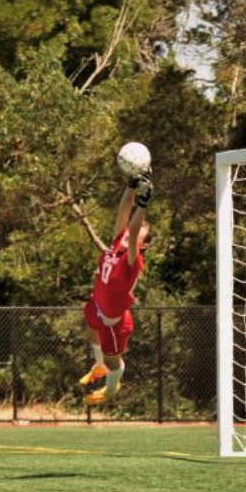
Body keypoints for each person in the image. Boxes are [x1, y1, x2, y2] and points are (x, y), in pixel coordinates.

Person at [79, 169, 154, 405]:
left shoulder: (132, 261)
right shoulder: (115, 246)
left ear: (142, 246)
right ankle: (99, 366)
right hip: (96, 305)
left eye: (137, 235)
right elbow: (122, 213)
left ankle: (111, 388)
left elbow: (132, 233)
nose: (128, 234)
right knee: (91, 331)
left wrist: (142, 204)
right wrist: (131, 186)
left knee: (115, 364)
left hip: (115, 323)